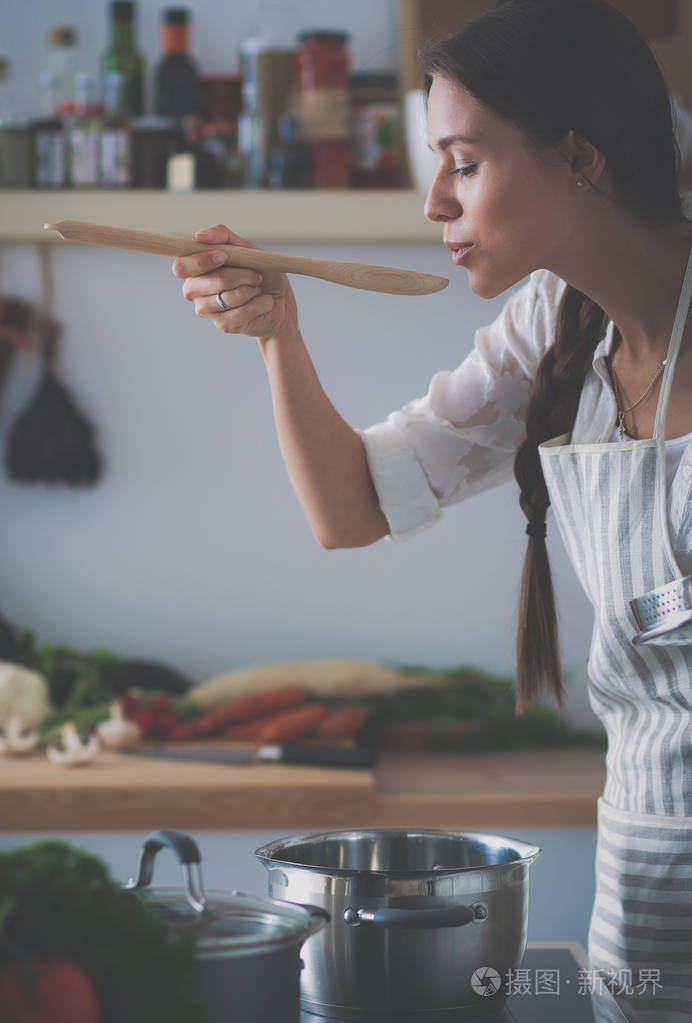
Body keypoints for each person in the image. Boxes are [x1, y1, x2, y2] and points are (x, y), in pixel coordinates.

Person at [173, 1, 692, 1019]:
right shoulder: (551, 323)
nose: (432, 203)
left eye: (462, 161)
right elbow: (353, 508)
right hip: (643, 864)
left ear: (578, 157)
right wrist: (278, 331)